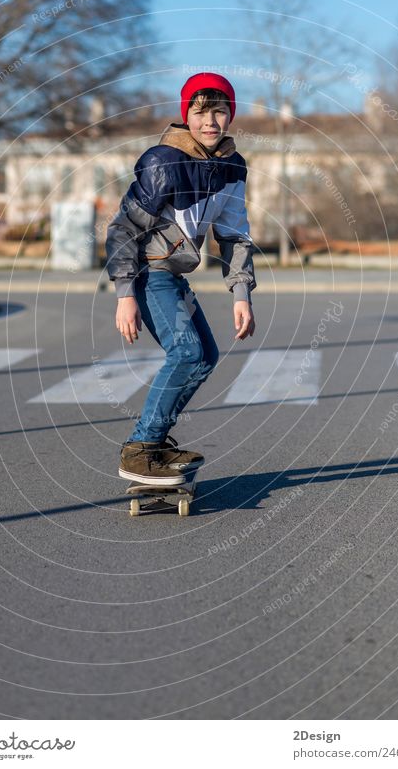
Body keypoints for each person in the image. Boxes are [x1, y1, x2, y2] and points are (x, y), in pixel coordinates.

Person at [105, 72, 257, 485]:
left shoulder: (231, 167)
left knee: (204, 356)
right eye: (200, 111)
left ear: (231, 116)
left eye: (220, 111)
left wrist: (241, 294)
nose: (210, 121)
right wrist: (125, 295)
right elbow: (122, 230)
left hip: (173, 275)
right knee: (187, 352)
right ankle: (142, 448)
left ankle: (153, 444)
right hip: (146, 272)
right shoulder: (163, 162)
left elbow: (233, 234)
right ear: (186, 114)